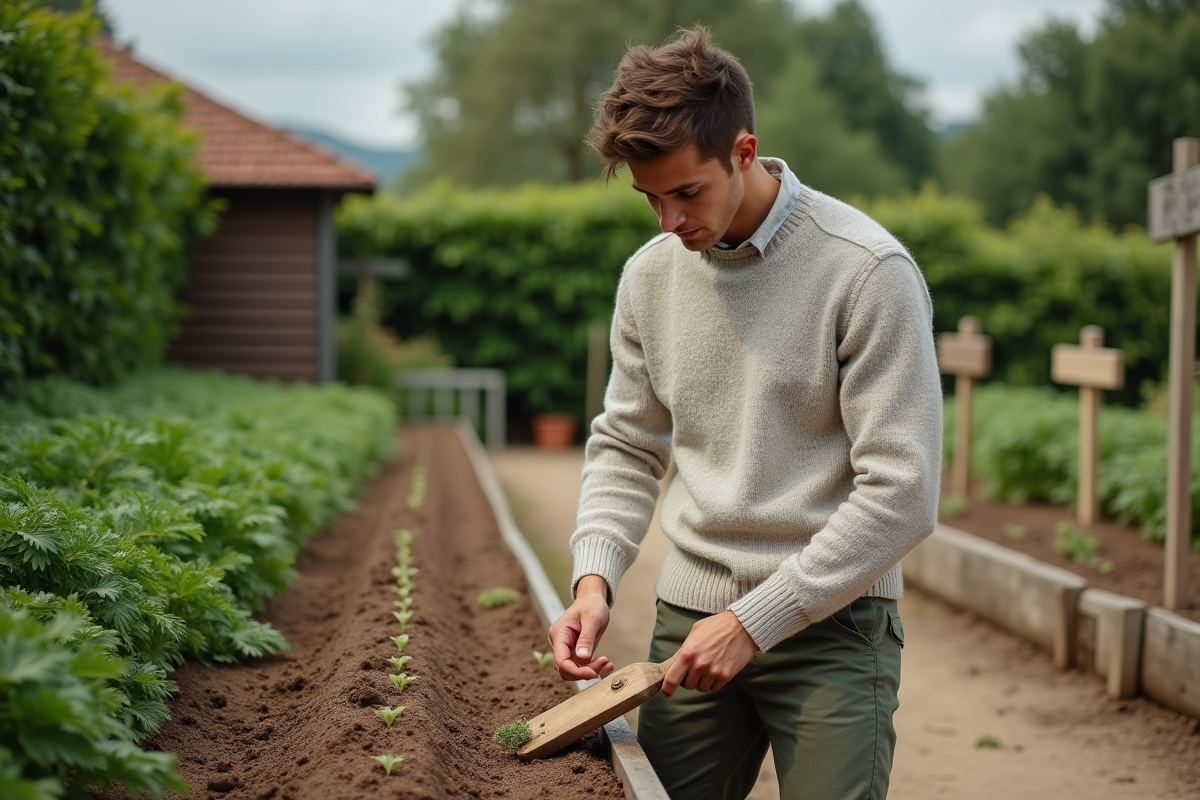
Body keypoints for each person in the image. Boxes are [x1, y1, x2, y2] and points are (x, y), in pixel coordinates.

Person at [546, 25, 942, 800]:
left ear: (744, 150)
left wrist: (756, 620)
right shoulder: (651, 275)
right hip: (687, 623)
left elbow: (903, 490)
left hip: (834, 626)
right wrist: (592, 583)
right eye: (649, 197)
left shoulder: (866, 271)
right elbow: (627, 444)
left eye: (686, 192)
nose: (668, 222)